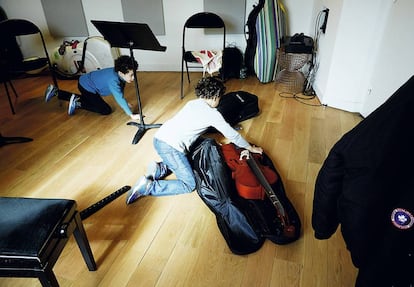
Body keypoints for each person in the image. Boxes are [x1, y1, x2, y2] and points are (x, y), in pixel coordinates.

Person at [126, 77, 263, 205]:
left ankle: (160, 168)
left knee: (188, 153)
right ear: (215, 97)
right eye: (220, 98)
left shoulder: (192, 103)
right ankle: (149, 187)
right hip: (171, 148)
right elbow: (232, 135)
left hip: (159, 138)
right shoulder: (212, 114)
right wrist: (250, 148)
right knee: (189, 184)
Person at [44, 55, 141, 120]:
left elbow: (120, 91)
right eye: (131, 75)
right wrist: (131, 115)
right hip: (87, 87)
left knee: (93, 102)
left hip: (87, 83)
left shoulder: (120, 76)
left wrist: (126, 103)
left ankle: (56, 92)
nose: (133, 77)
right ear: (120, 73)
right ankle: (78, 103)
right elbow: (118, 97)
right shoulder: (113, 80)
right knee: (105, 110)